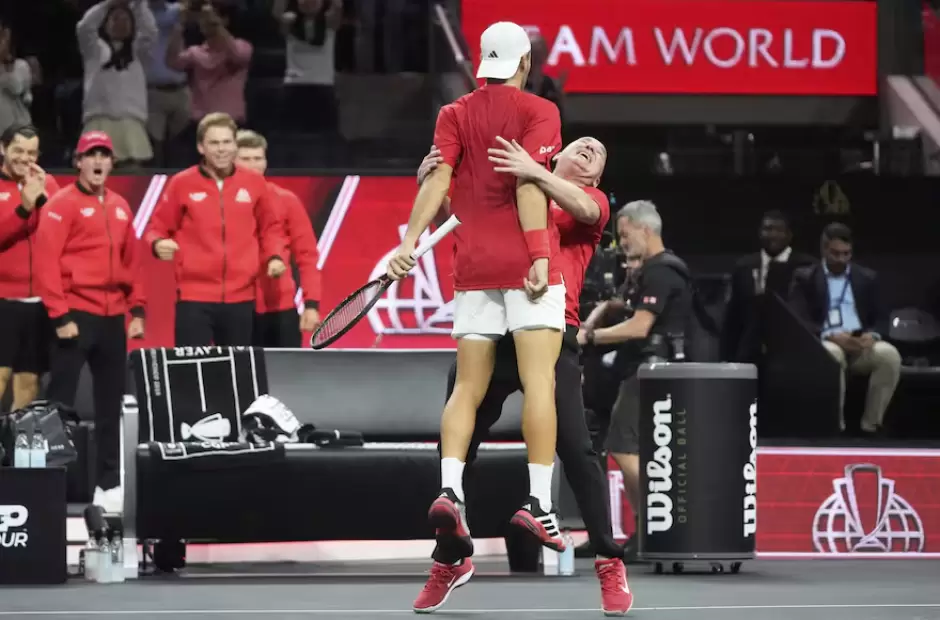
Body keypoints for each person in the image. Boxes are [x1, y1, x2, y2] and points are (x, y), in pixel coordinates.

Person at [411, 137, 634, 616]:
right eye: (581, 145)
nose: (592, 147)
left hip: (554, 331)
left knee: (577, 449)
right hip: (496, 327)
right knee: (458, 440)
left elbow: (583, 208)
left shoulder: (588, 201)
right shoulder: (517, 193)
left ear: (595, 178)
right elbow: (464, 223)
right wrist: (433, 183)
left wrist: (534, 170)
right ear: (557, 154)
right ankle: (450, 559)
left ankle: (608, 561)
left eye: (598, 152)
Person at [385, 21, 567, 559]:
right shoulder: (540, 111)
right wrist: (538, 252)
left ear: (479, 63)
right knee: (539, 383)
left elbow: (437, 179)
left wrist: (410, 242)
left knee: (467, 387)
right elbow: (529, 183)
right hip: (525, 264)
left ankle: (450, 488)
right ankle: (539, 503)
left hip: (473, 267)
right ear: (525, 62)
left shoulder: (453, 113)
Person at [34, 131, 145, 513]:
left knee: (111, 405)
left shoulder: (119, 206)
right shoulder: (60, 206)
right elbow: (45, 263)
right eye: (91, 155)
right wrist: (60, 315)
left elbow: (132, 261)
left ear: (111, 163)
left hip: (112, 317)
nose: (98, 162)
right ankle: (50, 483)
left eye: (104, 156)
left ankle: (109, 484)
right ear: (78, 161)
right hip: (75, 316)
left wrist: (139, 309)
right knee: (60, 405)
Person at [578, 201, 693, 526]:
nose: (622, 242)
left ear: (645, 229)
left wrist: (591, 337)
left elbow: (639, 326)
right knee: (626, 447)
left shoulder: (662, 270)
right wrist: (600, 314)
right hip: (639, 370)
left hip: (651, 371)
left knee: (624, 447)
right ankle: (647, 527)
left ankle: (657, 522)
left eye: (626, 235)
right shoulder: (647, 271)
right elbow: (622, 306)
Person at [144, 112, 287, 346]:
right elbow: (156, 227)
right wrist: (158, 244)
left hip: (241, 298)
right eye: (214, 143)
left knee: (234, 375)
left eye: (226, 142)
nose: (221, 149)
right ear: (201, 147)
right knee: (191, 374)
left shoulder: (254, 183)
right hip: (194, 298)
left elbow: (271, 228)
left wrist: (274, 256)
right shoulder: (182, 183)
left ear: (234, 145)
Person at [789, 223, 901, 435]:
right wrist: (829, 335)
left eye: (846, 254)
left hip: (860, 342)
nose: (841, 259)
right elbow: (798, 318)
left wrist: (872, 335)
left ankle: (871, 426)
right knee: (832, 355)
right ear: (823, 249)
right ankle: (834, 428)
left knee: (889, 356)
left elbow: (883, 318)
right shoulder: (805, 277)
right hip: (827, 341)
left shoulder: (867, 277)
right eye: (835, 253)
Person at [234, 129, 322, 346]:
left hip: (279, 308)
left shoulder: (286, 200)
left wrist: (311, 305)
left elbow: (307, 255)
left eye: (258, 158)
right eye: (245, 159)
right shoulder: (219, 203)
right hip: (234, 308)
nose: (253, 165)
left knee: (286, 377)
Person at [0, 124, 60, 411]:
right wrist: (23, 208)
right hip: (3, 301)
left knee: (29, 383)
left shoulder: (48, 185)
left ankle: (14, 450)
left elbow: (60, 232)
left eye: (32, 152)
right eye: (18, 151)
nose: (25, 158)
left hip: (38, 303)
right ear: (3, 149)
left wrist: (44, 199)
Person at [722, 210, 814, 363]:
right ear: (759, 233)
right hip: (750, 352)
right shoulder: (744, 267)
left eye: (779, 230)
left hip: (793, 350)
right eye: (768, 229)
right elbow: (732, 317)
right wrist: (725, 358)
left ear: (789, 235)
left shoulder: (807, 267)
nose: (773, 235)